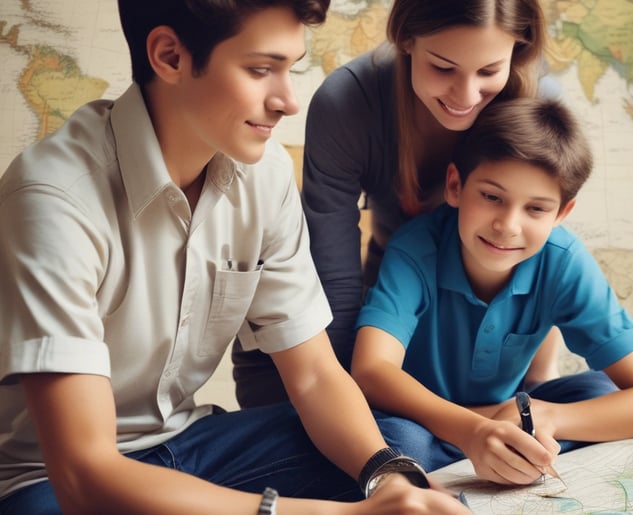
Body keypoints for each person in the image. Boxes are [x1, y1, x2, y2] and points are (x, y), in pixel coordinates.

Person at [0, 1, 471, 514]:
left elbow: (314, 374)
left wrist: (387, 482)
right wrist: (348, 514)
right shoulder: (54, 199)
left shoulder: (264, 175)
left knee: (402, 445)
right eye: (261, 69)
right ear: (170, 56)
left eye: (291, 69)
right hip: (49, 480)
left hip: (189, 443)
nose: (289, 102)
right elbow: (84, 477)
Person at [234, 0, 565, 408]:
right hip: (386, 300)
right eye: (442, 68)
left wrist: (539, 381)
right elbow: (334, 273)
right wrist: (348, 402)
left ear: (520, 49)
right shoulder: (348, 102)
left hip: (482, 317)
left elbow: (541, 248)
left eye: (489, 71)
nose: (465, 95)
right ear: (406, 39)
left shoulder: (539, 102)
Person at [349, 97, 633, 485]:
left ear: (562, 213)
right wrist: (475, 430)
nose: (507, 226)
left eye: (536, 209)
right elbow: (371, 371)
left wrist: (548, 416)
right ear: (455, 186)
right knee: (400, 446)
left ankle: (511, 450)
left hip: (511, 416)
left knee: (597, 390)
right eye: (492, 197)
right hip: (424, 423)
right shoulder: (415, 250)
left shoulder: (564, 261)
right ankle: (509, 452)